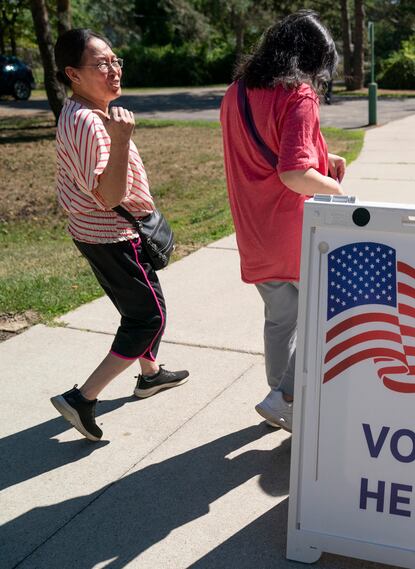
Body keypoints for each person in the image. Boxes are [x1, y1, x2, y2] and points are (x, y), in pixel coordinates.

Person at [49, 29, 189, 442]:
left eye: (115, 61)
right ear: (73, 73)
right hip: (112, 233)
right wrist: (122, 137)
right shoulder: (90, 124)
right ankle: (82, 398)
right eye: (101, 64)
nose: (113, 70)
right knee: (149, 317)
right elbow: (110, 195)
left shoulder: (83, 113)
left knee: (142, 307)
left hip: (97, 232)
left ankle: (150, 375)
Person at [219, 11, 345, 432]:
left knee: (280, 318)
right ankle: (286, 396)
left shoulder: (236, 92)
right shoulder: (300, 94)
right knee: (327, 318)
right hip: (294, 231)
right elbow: (292, 174)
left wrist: (325, 162)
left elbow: (264, 152)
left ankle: (280, 396)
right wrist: (340, 192)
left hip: (253, 229)